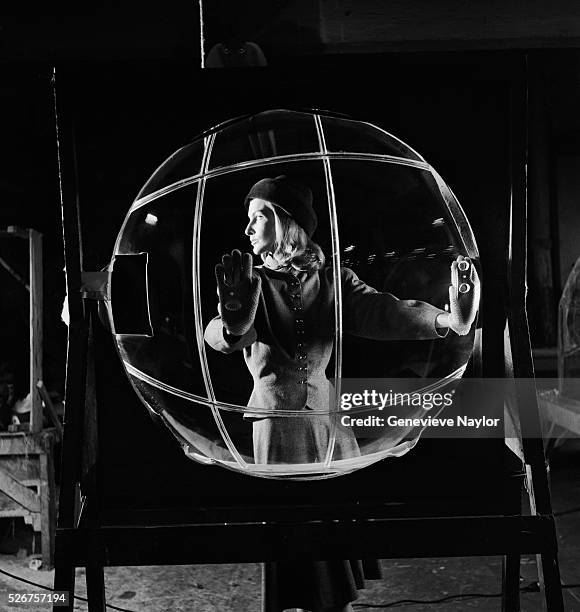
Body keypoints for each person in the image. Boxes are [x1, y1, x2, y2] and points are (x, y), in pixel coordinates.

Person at [204, 175, 480, 612]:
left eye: (259, 217)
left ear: (287, 223)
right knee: (289, 533)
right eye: (249, 219)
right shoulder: (249, 282)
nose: (248, 229)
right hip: (276, 427)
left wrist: (448, 321)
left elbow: (382, 311)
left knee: (330, 533)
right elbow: (221, 338)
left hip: (326, 423)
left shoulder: (334, 278)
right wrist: (233, 318)